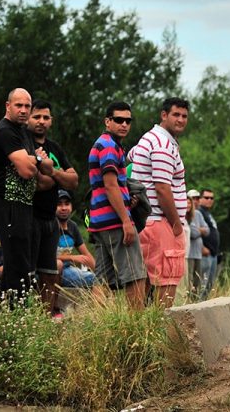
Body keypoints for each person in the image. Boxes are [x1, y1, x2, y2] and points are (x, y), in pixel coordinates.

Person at [0, 88, 54, 301]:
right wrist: (36, 160)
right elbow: (28, 171)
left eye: (27, 106)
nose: (24, 110)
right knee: (17, 261)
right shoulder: (4, 131)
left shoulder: (23, 132)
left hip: (24, 204)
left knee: (22, 261)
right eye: (19, 105)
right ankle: (16, 312)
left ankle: (10, 313)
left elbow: (43, 170)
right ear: (8, 106)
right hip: (8, 202)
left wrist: (34, 160)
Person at [128, 97, 189, 307]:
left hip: (147, 222)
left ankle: (140, 334)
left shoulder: (149, 138)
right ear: (164, 115)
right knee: (167, 281)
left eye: (184, 116)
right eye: (176, 115)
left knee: (144, 281)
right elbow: (163, 189)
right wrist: (176, 226)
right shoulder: (162, 144)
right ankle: (163, 332)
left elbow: (131, 155)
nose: (180, 120)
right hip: (161, 223)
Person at [88, 101, 146, 309]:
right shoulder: (109, 146)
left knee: (102, 279)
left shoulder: (104, 144)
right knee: (135, 274)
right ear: (107, 121)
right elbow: (110, 185)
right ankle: (137, 328)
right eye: (118, 120)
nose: (124, 124)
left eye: (128, 120)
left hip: (100, 221)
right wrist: (126, 220)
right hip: (114, 221)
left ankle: (96, 324)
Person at [28, 100, 78, 315]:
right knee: (28, 275)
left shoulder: (54, 147)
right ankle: (27, 322)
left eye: (45, 117)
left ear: (51, 121)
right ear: (28, 118)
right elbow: (37, 183)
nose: (41, 121)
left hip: (51, 219)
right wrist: (60, 177)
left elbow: (74, 180)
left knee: (50, 273)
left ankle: (45, 320)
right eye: (36, 116)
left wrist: (53, 172)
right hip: (28, 216)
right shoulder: (23, 144)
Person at [55, 190, 95, 288]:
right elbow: (45, 257)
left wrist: (101, 273)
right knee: (58, 264)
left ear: (71, 206)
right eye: (59, 204)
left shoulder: (73, 226)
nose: (64, 208)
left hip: (68, 271)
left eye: (67, 204)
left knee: (97, 279)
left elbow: (86, 255)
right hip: (51, 270)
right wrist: (72, 257)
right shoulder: (50, 225)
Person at [185, 189, 207, 301]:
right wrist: (200, 230)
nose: (195, 201)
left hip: (198, 253)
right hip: (188, 254)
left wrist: (199, 230)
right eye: (192, 199)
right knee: (188, 281)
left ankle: (195, 303)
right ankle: (187, 302)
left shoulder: (197, 214)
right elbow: (193, 233)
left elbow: (207, 230)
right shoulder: (183, 215)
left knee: (198, 281)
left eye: (198, 198)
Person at [198, 188, 220, 300]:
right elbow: (193, 230)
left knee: (209, 285)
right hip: (204, 254)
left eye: (212, 198)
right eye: (206, 197)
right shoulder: (198, 212)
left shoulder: (207, 214)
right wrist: (201, 247)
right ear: (200, 199)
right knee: (202, 284)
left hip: (213, 254)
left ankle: (202, 309)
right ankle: (196, 309)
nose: (209, 200)